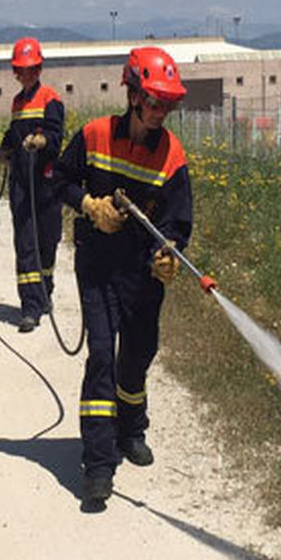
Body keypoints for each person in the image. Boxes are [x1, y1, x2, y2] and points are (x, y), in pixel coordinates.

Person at [51, 46, 193, 506]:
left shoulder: (172, 156)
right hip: (96, 267)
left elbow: (176, 221)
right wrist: (88, 205)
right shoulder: (93, 136)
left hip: (141, 274)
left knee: (136, 356)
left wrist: (168, 254)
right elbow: (61, 181)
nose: (158, 112)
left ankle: (132, 429)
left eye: (166, 104)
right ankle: (98, 462)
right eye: (152, 101)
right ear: (131, 93)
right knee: (101, 358)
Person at [0, 37, 64, 333]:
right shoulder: (17, 101)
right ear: (16, 72)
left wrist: (43, 141)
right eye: (22, 70)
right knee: (25, 244)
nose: (27, 74)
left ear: (39, 68)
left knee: (47, 241)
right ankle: (30, 308)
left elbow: (56, 135)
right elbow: (13, 134)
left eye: (32, 69)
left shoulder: (51, 98)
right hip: (22, 183)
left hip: (47, 181)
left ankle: (44, 290)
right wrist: (4, 149)